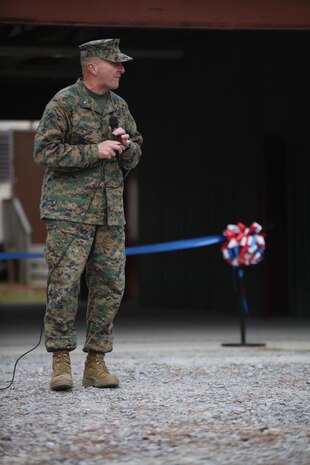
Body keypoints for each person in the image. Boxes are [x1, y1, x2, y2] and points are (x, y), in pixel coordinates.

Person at [33, 38, 143, 391]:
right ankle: (60, 363)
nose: (122, 69)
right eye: (116, 64)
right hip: (70, 213)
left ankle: (96, 363)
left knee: (110, 286)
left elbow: (136, 151)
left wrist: (127, 146)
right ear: (93, 66)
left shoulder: (119, 106)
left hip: (110, 213)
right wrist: (93, 151)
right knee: (64, 286)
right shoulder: (64, 103)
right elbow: (44, 152)